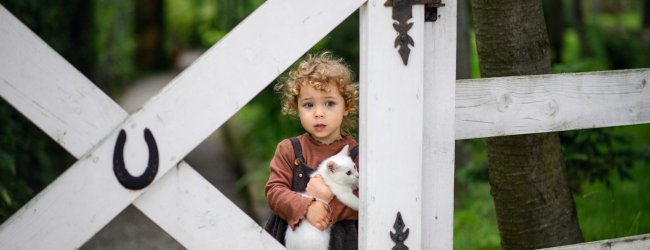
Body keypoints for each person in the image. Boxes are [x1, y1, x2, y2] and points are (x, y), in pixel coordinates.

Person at [264, 52, 360, 249]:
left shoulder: (357, 154)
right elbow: (274, 191)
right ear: (296, 108)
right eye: (308, 104)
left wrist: (327, 207)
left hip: (342, 242)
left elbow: (367, 199)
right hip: (291, 241)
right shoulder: (289, 149)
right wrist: (307, 207)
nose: (318, 113)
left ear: (346, 106)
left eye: (329, 103)